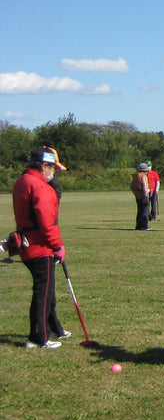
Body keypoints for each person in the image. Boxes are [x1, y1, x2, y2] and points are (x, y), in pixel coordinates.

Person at [12, 147, 69, 349]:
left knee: (45, 290)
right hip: (39, 246)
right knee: (43, 292)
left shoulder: (22, 181)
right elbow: (46, 221)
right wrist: (57, 245)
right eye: (51, 167)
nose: (53, 171)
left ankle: (53, 327)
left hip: (26, 242)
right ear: (44, 166)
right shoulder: (40, 187)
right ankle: (38, 337)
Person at [130, 162, 152, 231]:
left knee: (139, 211)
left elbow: (131, 186)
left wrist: (135, 193)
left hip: (137, 195)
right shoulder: (143, 176)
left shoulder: (135, 176)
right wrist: (146, 196)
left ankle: (138, 225)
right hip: (143, 196)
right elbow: (145, 187)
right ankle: (144, 226)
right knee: (145, 211)